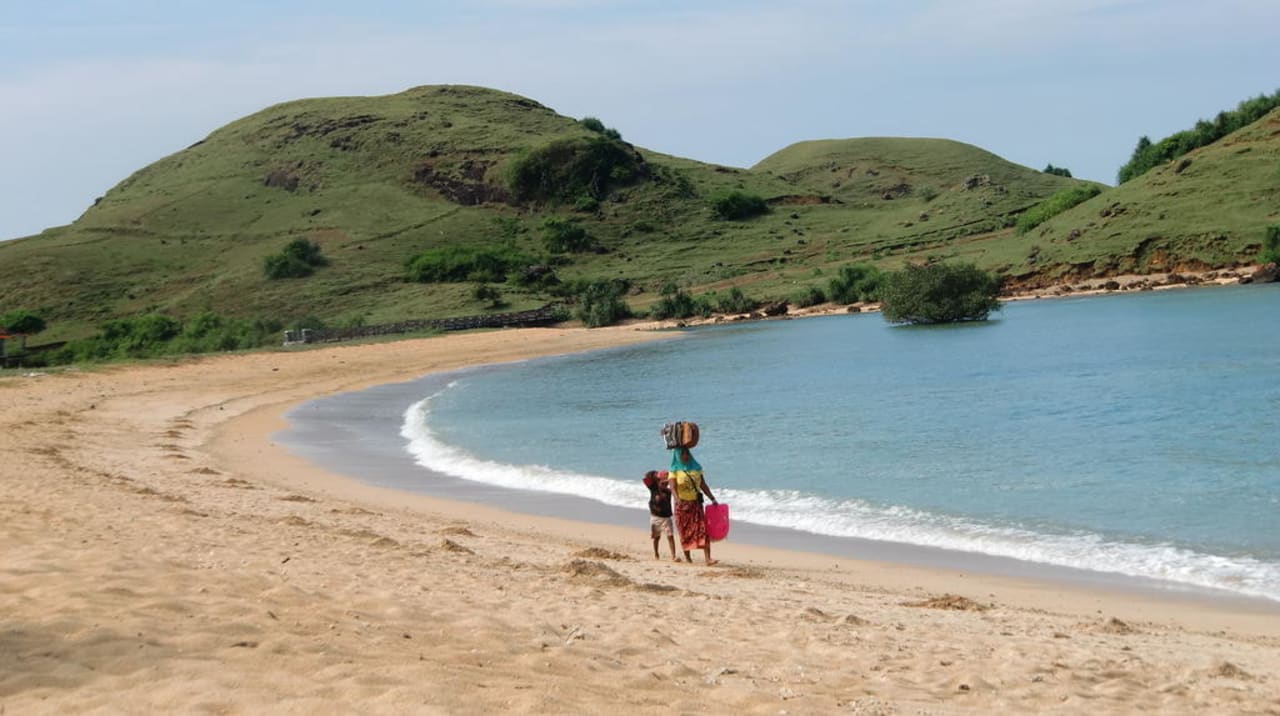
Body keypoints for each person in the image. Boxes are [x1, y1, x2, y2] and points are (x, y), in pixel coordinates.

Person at [668, 447, 718, 566]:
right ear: (678, 456)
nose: (685, 456)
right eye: (682, 454)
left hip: (696, 505)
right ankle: (688, 558)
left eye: (687, 454)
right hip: (682, 506)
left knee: (703, 530)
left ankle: (708, 559)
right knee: (685, 532)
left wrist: (712, 498)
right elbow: (673, 488)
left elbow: (703, 485)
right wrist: (677, 500)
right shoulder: (674, 470)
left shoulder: (696, 468)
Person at [643, 470, 679, 561]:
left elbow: (675, 485)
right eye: (662, 482)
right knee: (656, 537)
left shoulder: (669, 491)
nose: (664, 484)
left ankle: (673, 556)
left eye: (666, 483)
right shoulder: (653, 488)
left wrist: (670, 480)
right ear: (658, 481)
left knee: (670, 536)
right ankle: (656, 553)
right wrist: (655, 474)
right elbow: (645, 479)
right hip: (655, 517)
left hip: (666, 517)